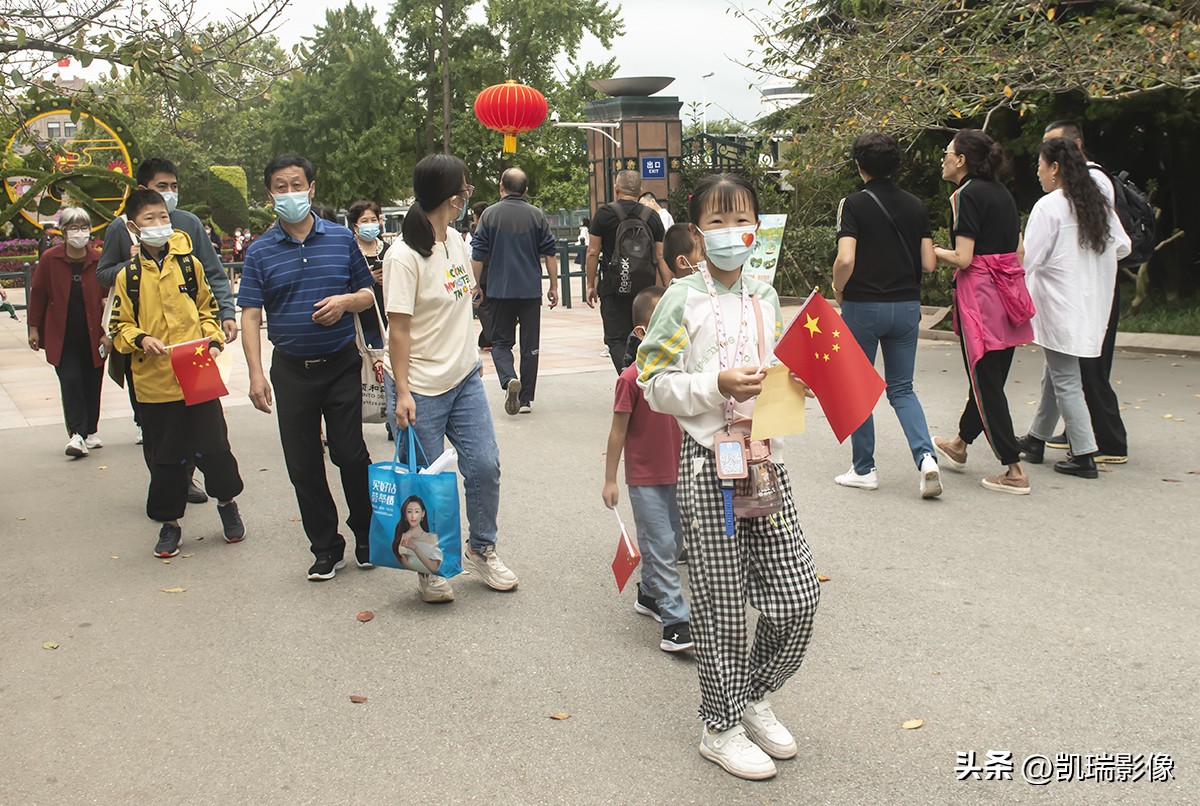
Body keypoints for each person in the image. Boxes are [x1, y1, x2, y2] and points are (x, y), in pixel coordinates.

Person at [637, 174, 820, 781]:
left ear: (755, 226)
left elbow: (777, 369)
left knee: (799, 596)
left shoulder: (765, 295)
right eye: (715, 222)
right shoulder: (679, 300)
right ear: (696, 230)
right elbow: (652, 384)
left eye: (739, 218)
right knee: (719, 606)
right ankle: (720, 727)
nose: (728, 232)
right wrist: (711, 384)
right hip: (705, 463)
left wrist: (794, 385)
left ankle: (753, 696)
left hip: (764, 458)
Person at [238, 154, 378, 581]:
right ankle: (325, 547)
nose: (289, 193)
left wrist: (343, 303)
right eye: (280, 187)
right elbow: (249, 313)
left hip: (340, 363)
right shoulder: (260, 251)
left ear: (311, 189)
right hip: (291, 371)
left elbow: (368, 295)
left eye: (296, 184)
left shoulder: (339, 239)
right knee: (302, 464)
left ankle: (367, 533)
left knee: (350, 453)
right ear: (270, 196)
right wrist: (256, 373)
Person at [385, 153, 517, 603]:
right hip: (419, 386)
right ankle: (430, 566)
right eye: (464, 188)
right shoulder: (403, 256)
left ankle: (482, 549)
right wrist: (401, 391)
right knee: (428, 484)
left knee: (484, 465)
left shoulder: (457, 241)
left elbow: (463, 299)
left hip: (463, 380)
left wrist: (467, 350)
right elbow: (398, 330)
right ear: (449, 195)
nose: (467, 196)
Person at [108, 189, 246, 557]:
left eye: (163, 217)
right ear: (134, 227)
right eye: (150, 219)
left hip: (197, 370)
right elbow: (119, 328)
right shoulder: (129, 277)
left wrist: (214, 337)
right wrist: (141, 338)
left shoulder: (190, 265)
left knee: (215, 447)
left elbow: (207, 309)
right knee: (167, 458)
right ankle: (169, 524)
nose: (159, 224)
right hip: (155, 381)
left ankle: (227, 504)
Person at [98, 156, 238, 501]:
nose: (169, 196)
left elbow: (211, 276)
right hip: (152, 362)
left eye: (174, 187)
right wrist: (130, 263)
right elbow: (105, 278)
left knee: (213, 439)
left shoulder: (188, 226)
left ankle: (225, 500)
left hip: (195, 356)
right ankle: (173, 502)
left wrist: (224, 319)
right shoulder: (120, 230)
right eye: (162, 187)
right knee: (164, 442)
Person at [831, 133, 942, 499]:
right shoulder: (916, 206)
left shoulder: (853, 204)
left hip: (862, 306)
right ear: (897, 164)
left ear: (858, 165)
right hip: (907, 306)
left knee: (858, 386)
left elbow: (846, 258)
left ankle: (864, 469)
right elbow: (928, 263)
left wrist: (838, 288)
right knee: (902, 388)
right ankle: (926, 458)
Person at [1017, 138, 1131, 479]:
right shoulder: (1097, 204)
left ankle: (1084, 453)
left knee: (1065, 377)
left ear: (1054, 168)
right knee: (1055, 373)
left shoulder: (1049, 206)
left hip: (1058, 302)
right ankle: (1037, 439)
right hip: (1092, 302)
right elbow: (1122, 248)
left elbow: (1029, 259)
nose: (1037, 173)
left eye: (1040, 165)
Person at [932, 130, 1035, 494]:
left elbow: (964, 258)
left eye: (947, 153)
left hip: (981, 298)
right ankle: (960, 444)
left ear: (961, 160)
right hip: (1011, 291)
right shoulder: (1003, 192)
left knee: (985, 381)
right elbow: (1019, 249)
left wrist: (930, 250)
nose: (942, 158)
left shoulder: (964, 195)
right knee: (991, 377)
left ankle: (1014, 469)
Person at [603, 285, 692, 654]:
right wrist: (610, 479)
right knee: (660, 543)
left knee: (676, 542)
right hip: (645, 479)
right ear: (642, 333)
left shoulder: (685, 374)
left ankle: (649, 593)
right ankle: (675, 622)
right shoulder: (631, 379)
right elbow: (617, 431)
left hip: (681, 474)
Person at [470, 168, 559, 416]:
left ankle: (509, 379)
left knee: (500, 343)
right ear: (526, 190)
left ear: (501, 187)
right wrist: (553, 285)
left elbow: (478, 254)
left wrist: (475, 285)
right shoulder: (537, 215)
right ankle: (526, 399)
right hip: (530, 291)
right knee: (530, 346)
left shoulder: (488, 215)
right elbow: (550, 253)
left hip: (500, 290)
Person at [26, 207, 108, 457]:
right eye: (73, 228)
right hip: (61, 335)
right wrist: (33, 329)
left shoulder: (97, 259)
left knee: (93, 381)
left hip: (94, 334)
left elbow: (109, 298)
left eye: (83, 227)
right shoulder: (51, 259)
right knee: (71, 381)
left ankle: (89, 430)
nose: (79, 233)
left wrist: (109, 333)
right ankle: (77, 434)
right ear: (63, 232)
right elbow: (38, 294)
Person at [585, 170, 671, 372]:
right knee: (646, 334)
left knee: (615, 338)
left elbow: (592, 252)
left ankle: (627, 374)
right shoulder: (652, 217)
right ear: (640, 190)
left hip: (613, 287)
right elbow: (660, 256)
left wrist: (590, 284)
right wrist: (668, 287)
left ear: (616, 189)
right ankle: (642, 377)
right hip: (645, 290)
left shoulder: (604, 214)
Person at [346, 199, 395, 436]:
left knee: (388, 367)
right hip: (360, 320)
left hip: (387, 317)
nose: (370, 224)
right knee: (361, 368)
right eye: (364, 221)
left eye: (373, 220)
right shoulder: (349, 250)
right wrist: (368, 279)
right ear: (355, 226)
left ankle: (391, 418)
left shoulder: (389, 249)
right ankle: (359, 414)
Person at [391, 496, 444, 575]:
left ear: (422, 513)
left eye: (416, 512)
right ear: (404, 514)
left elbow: (434, 568)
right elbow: (405, 563)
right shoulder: (402, 537)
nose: (413, 516)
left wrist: (415, 548)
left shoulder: (432, 537)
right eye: (409, 512)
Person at [468, 201, 495, 352]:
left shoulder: (478, 231)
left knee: (484, 307)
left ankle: (491, 337)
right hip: (495, 273)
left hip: (483, 274)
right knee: (493, 307)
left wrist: (474, 282)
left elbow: (475, 256)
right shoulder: (495, 229)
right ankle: (488, 338)